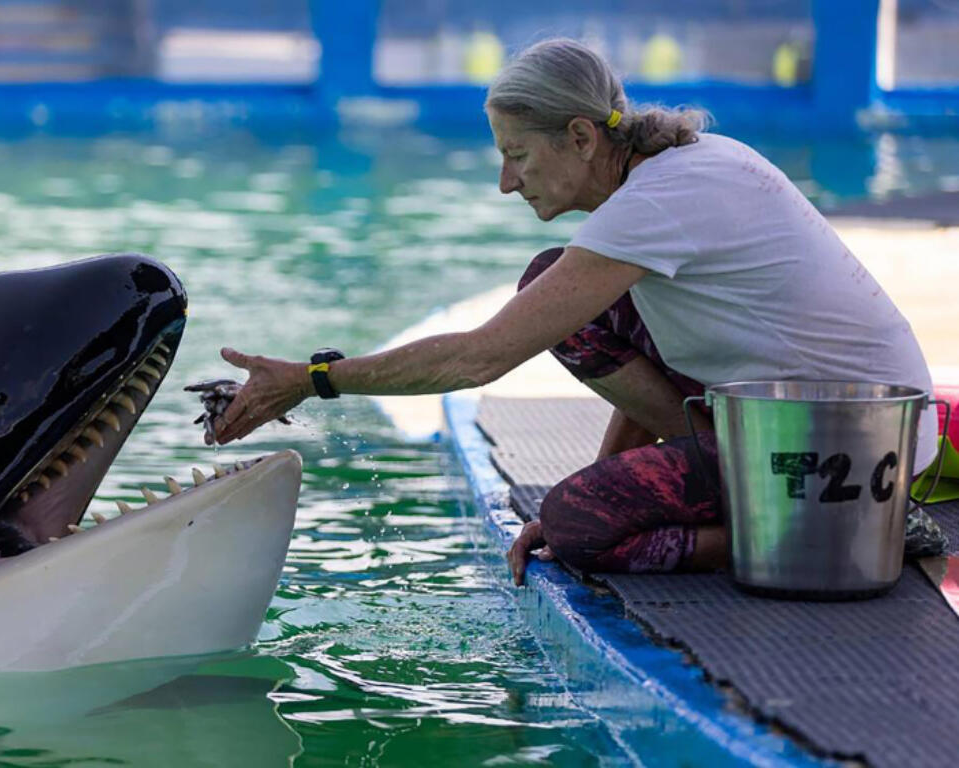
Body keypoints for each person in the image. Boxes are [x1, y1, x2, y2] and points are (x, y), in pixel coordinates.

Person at [206, 38, 937, 586]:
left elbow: (478, 357)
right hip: (829, 423)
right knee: (553, 287)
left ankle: (833, 532)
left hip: (845, 453)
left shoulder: (657, 205)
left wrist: (314, 378)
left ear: (582, 137)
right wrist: (613, 472)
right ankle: (804, 510)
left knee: (581, 528)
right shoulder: (680, 171)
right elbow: (630, 363)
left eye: (517, 155)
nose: (504, 182)